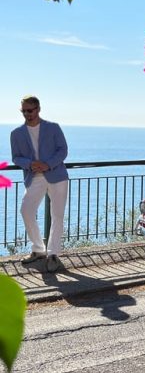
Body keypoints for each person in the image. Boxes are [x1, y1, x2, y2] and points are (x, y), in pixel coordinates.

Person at [10, 96, 69, 273]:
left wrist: (48, 164)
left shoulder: (53, 128)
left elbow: (63, 150)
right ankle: (38, 249)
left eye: (30, 110)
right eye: (24, 111)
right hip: (34, 176)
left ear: (38, 109)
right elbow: (16, 157)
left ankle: (53, 254)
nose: (27, 114)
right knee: (26, 210)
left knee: (57, 215)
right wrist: (29, 164)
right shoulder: (16, 133)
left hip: (57, 175)